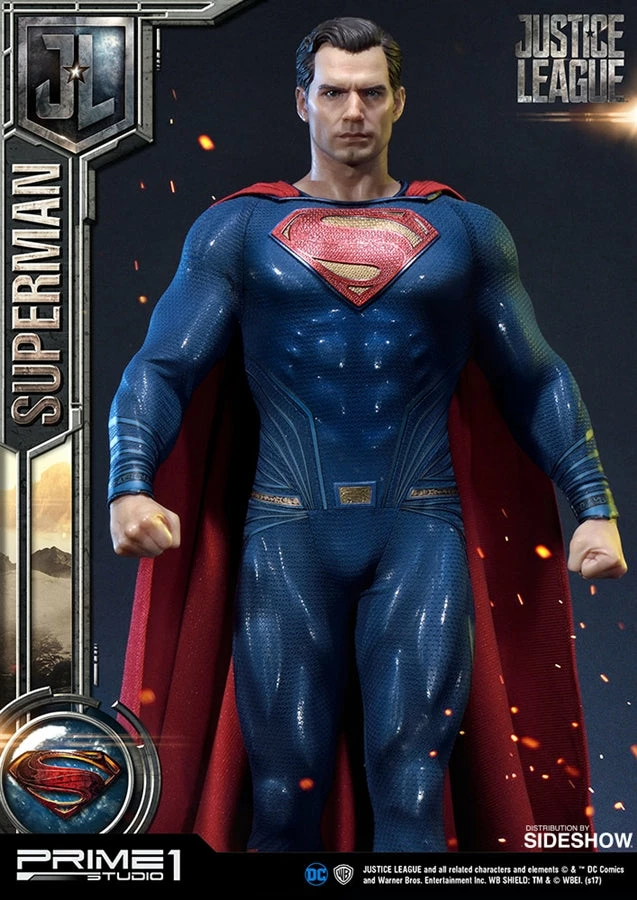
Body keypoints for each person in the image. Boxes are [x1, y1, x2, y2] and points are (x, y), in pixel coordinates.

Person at [108, 17, 627, 852]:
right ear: (302, 102)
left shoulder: (464, 231)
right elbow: (161, 368)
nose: (353, 110)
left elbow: (532, 374)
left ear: (398, 102)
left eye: (371, 92)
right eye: (334, 92)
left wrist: (594, 506)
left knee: (412, 784)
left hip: (417, 529)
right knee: (280, 792)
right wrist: (129, 484)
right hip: (287, 530)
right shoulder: (239, 230)